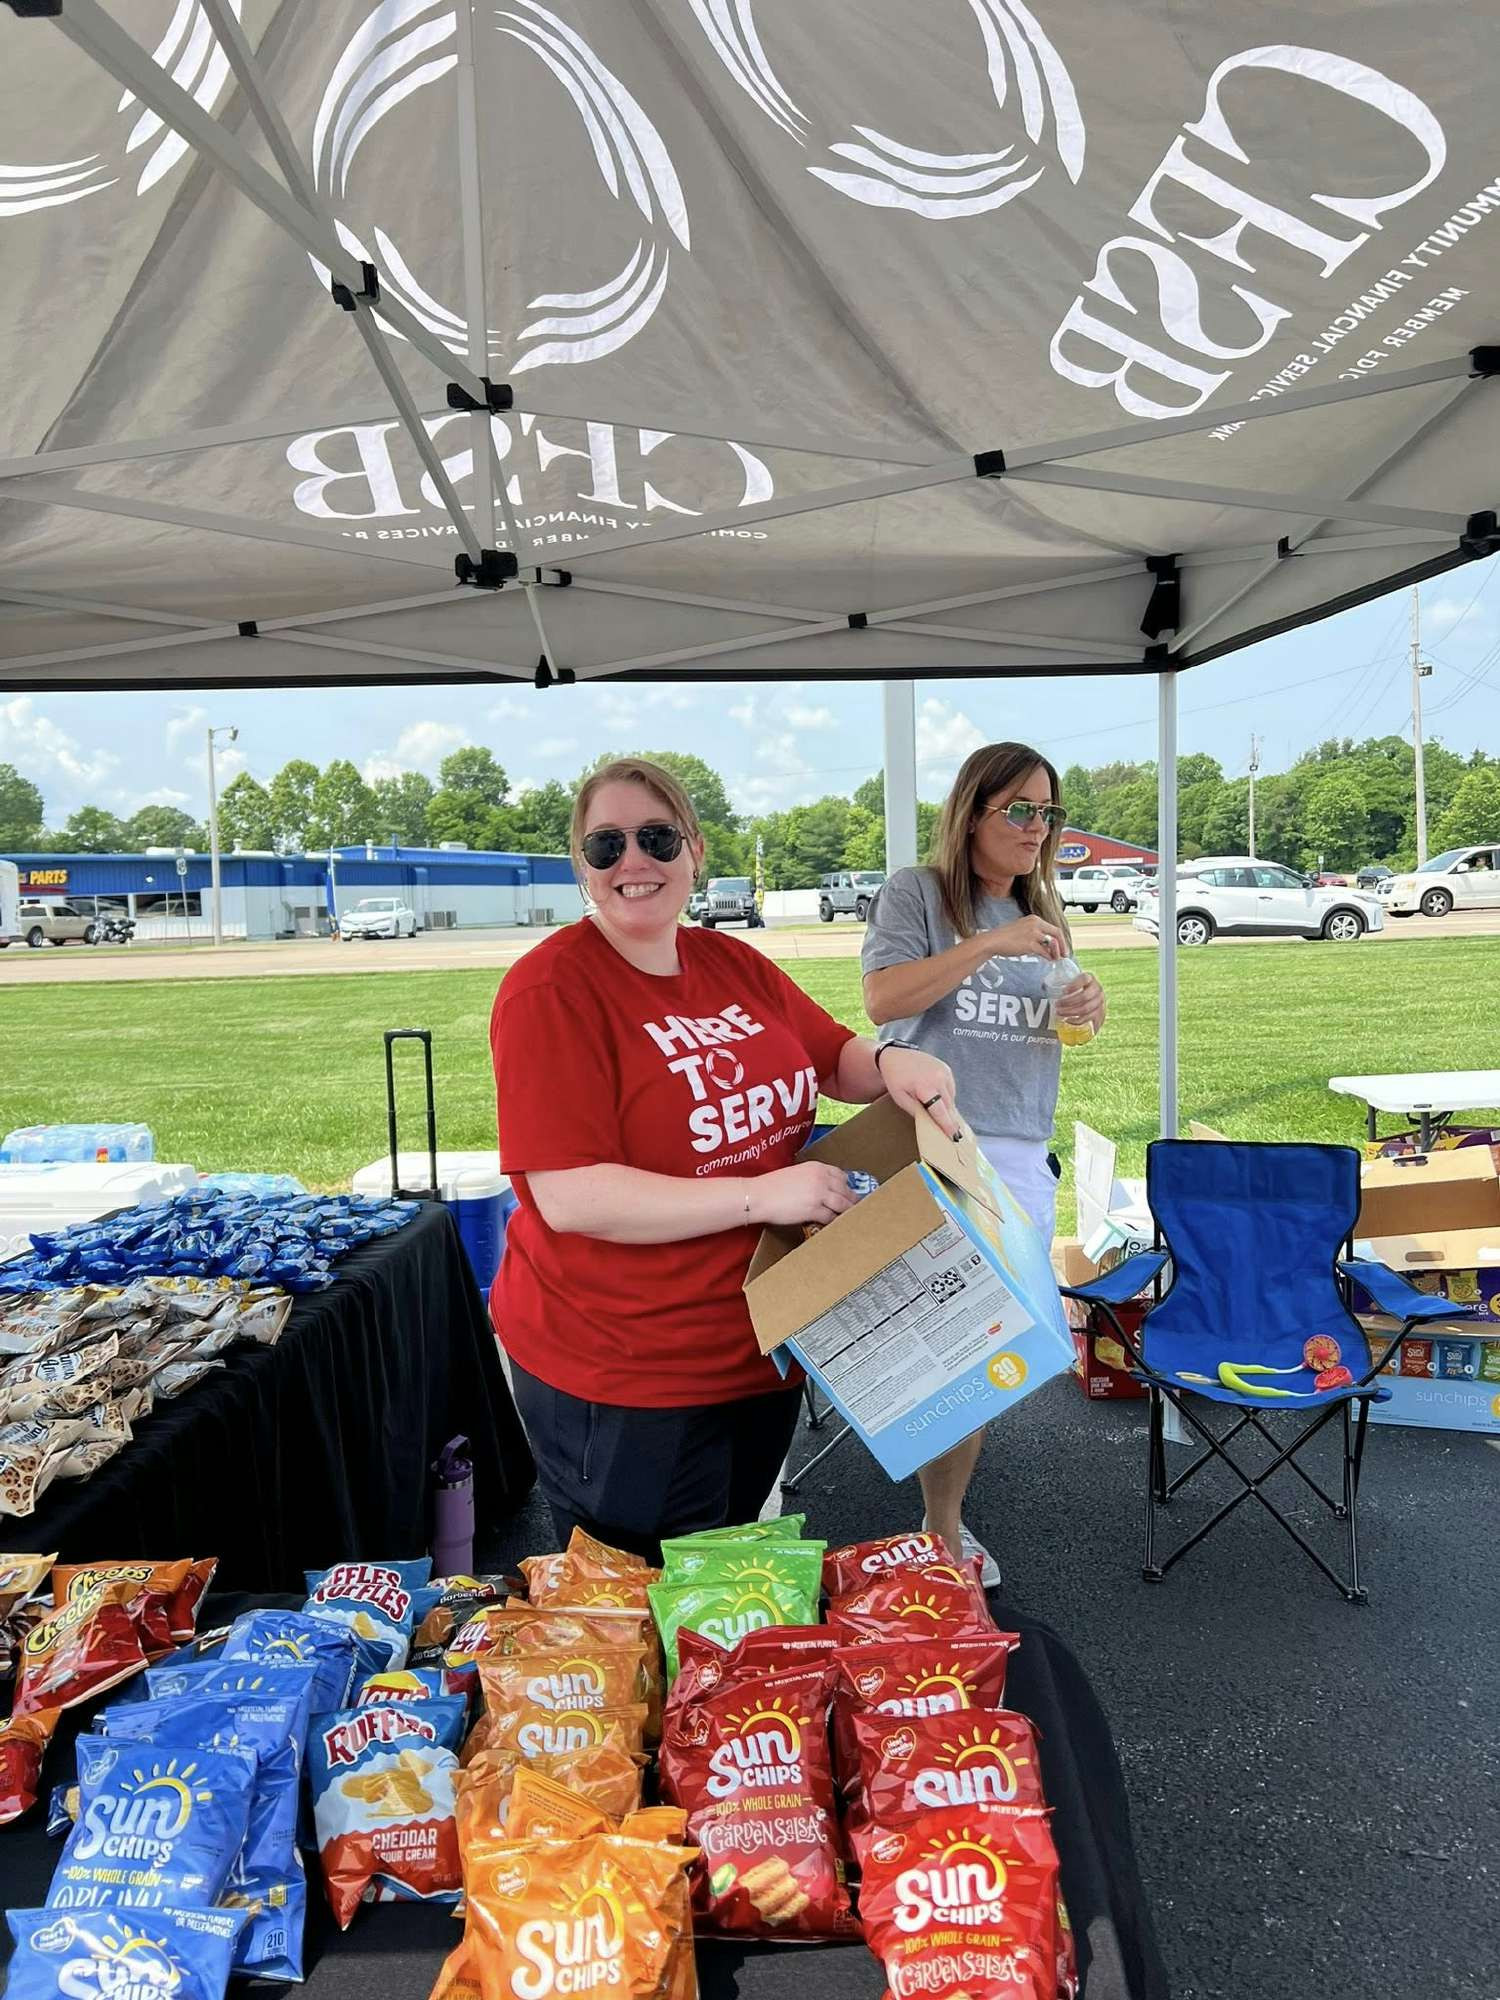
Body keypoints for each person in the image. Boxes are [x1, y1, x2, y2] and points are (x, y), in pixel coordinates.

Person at [490, 757, 959, 1561]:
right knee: (644, 1610)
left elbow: (830, 1053)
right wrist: (759, 1196)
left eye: (656, 836)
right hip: (626, 1375)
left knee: (728, 1584)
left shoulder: (729, 964)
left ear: (695, 850)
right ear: (582, 867)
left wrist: (889, 1064)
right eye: (606, 846)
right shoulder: (551, 991)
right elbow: (568, 1193)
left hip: (761, 1346)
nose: (633, 861)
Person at [861, 742, 1107, 1583]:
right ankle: (942, 1530)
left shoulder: (1045, 914)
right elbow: (883, 1000)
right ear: (973, 811)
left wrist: (1088, 1005)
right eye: (1021, 810)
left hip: (1023, 1151)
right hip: (939, 1142)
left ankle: (943, 1492)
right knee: (957, 1346)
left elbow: (1058, 1030)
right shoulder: (919, 895)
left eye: (1049, 813)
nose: (1038, 828)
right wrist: (985, 946)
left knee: (996, 1350)